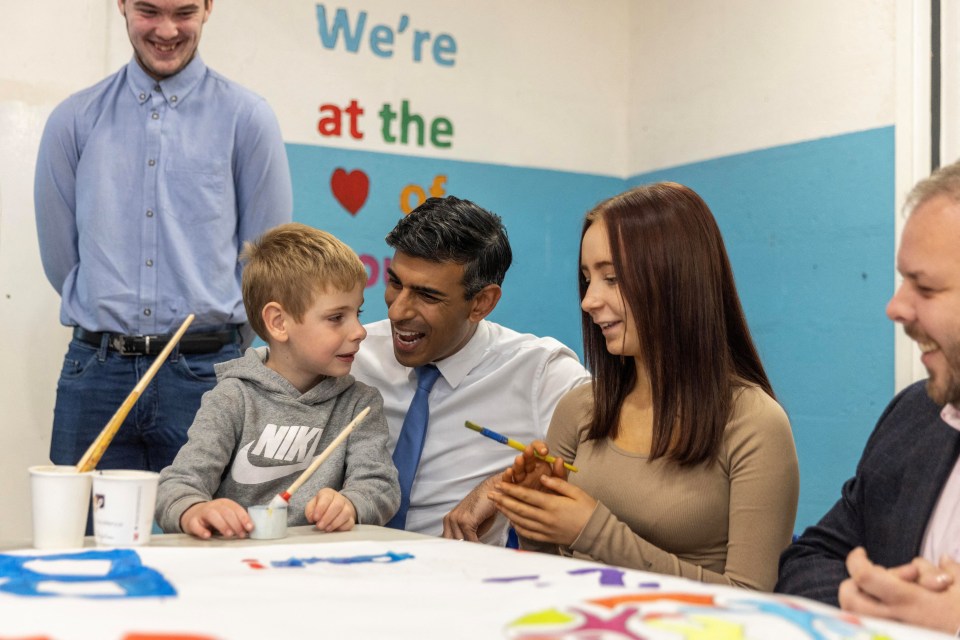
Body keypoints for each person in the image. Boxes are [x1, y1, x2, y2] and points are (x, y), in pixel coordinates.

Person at [489, 183, 799, 591]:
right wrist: (535, 521)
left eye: (612, 278)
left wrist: (593, 531)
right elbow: (551, 571)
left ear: (677, 281)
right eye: (587, 279)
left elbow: (751, 598)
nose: (589, 301)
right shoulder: (580, 409)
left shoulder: (754, 423)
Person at [34, 0, 293, 474]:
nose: (167, 30)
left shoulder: (248, 118)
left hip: (204, 374)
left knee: (205, 541)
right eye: (149, 11)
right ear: (123, 6)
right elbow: (61, 260)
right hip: (95, 373)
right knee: (84, 540)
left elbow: (266, 263)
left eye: (185, 11)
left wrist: (218, 342)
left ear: (209, 7)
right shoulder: (73, 119)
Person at [776, 160, 960, 634]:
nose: (895, 307)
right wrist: (859, 597)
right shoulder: (914, 417)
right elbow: (808, 559)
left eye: (926, 286)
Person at [350, 195, 591, 543]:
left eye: (427, 296)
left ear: (482, 303)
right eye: (395, 283)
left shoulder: (543, 374)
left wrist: (501, 489)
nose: (397, 311)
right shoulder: (351, 351)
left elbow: (610, 479)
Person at [155, 223, 399, 539]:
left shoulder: (360, 404)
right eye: (337, 318)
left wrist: (350, 503)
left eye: (358, 314)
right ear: (278, 323)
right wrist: (194, 509)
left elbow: (380, 486)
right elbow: (178, 485)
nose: (359, 331)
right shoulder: (233, 398)